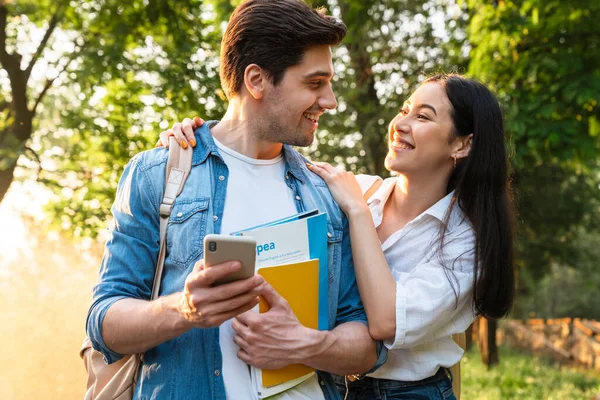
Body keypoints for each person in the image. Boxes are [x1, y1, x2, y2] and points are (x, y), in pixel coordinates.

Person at [86, 1, 385, 399]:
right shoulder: (156, 175)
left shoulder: (327, 194)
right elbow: (103, 323)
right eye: (315, 84)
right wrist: (183, 309)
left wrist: (307, 344)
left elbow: (366, 345)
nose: (330, 101)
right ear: (257, 80)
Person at [161, 73, 515, 399]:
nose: (400, 125)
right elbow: (265, 173)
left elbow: (386, 322)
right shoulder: (352, 189)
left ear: (462, 145)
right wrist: (198, 139)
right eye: (405, 110)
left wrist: (358, 213)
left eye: (423, 117)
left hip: (409, 392)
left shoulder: (465, 242)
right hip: (332, 385)